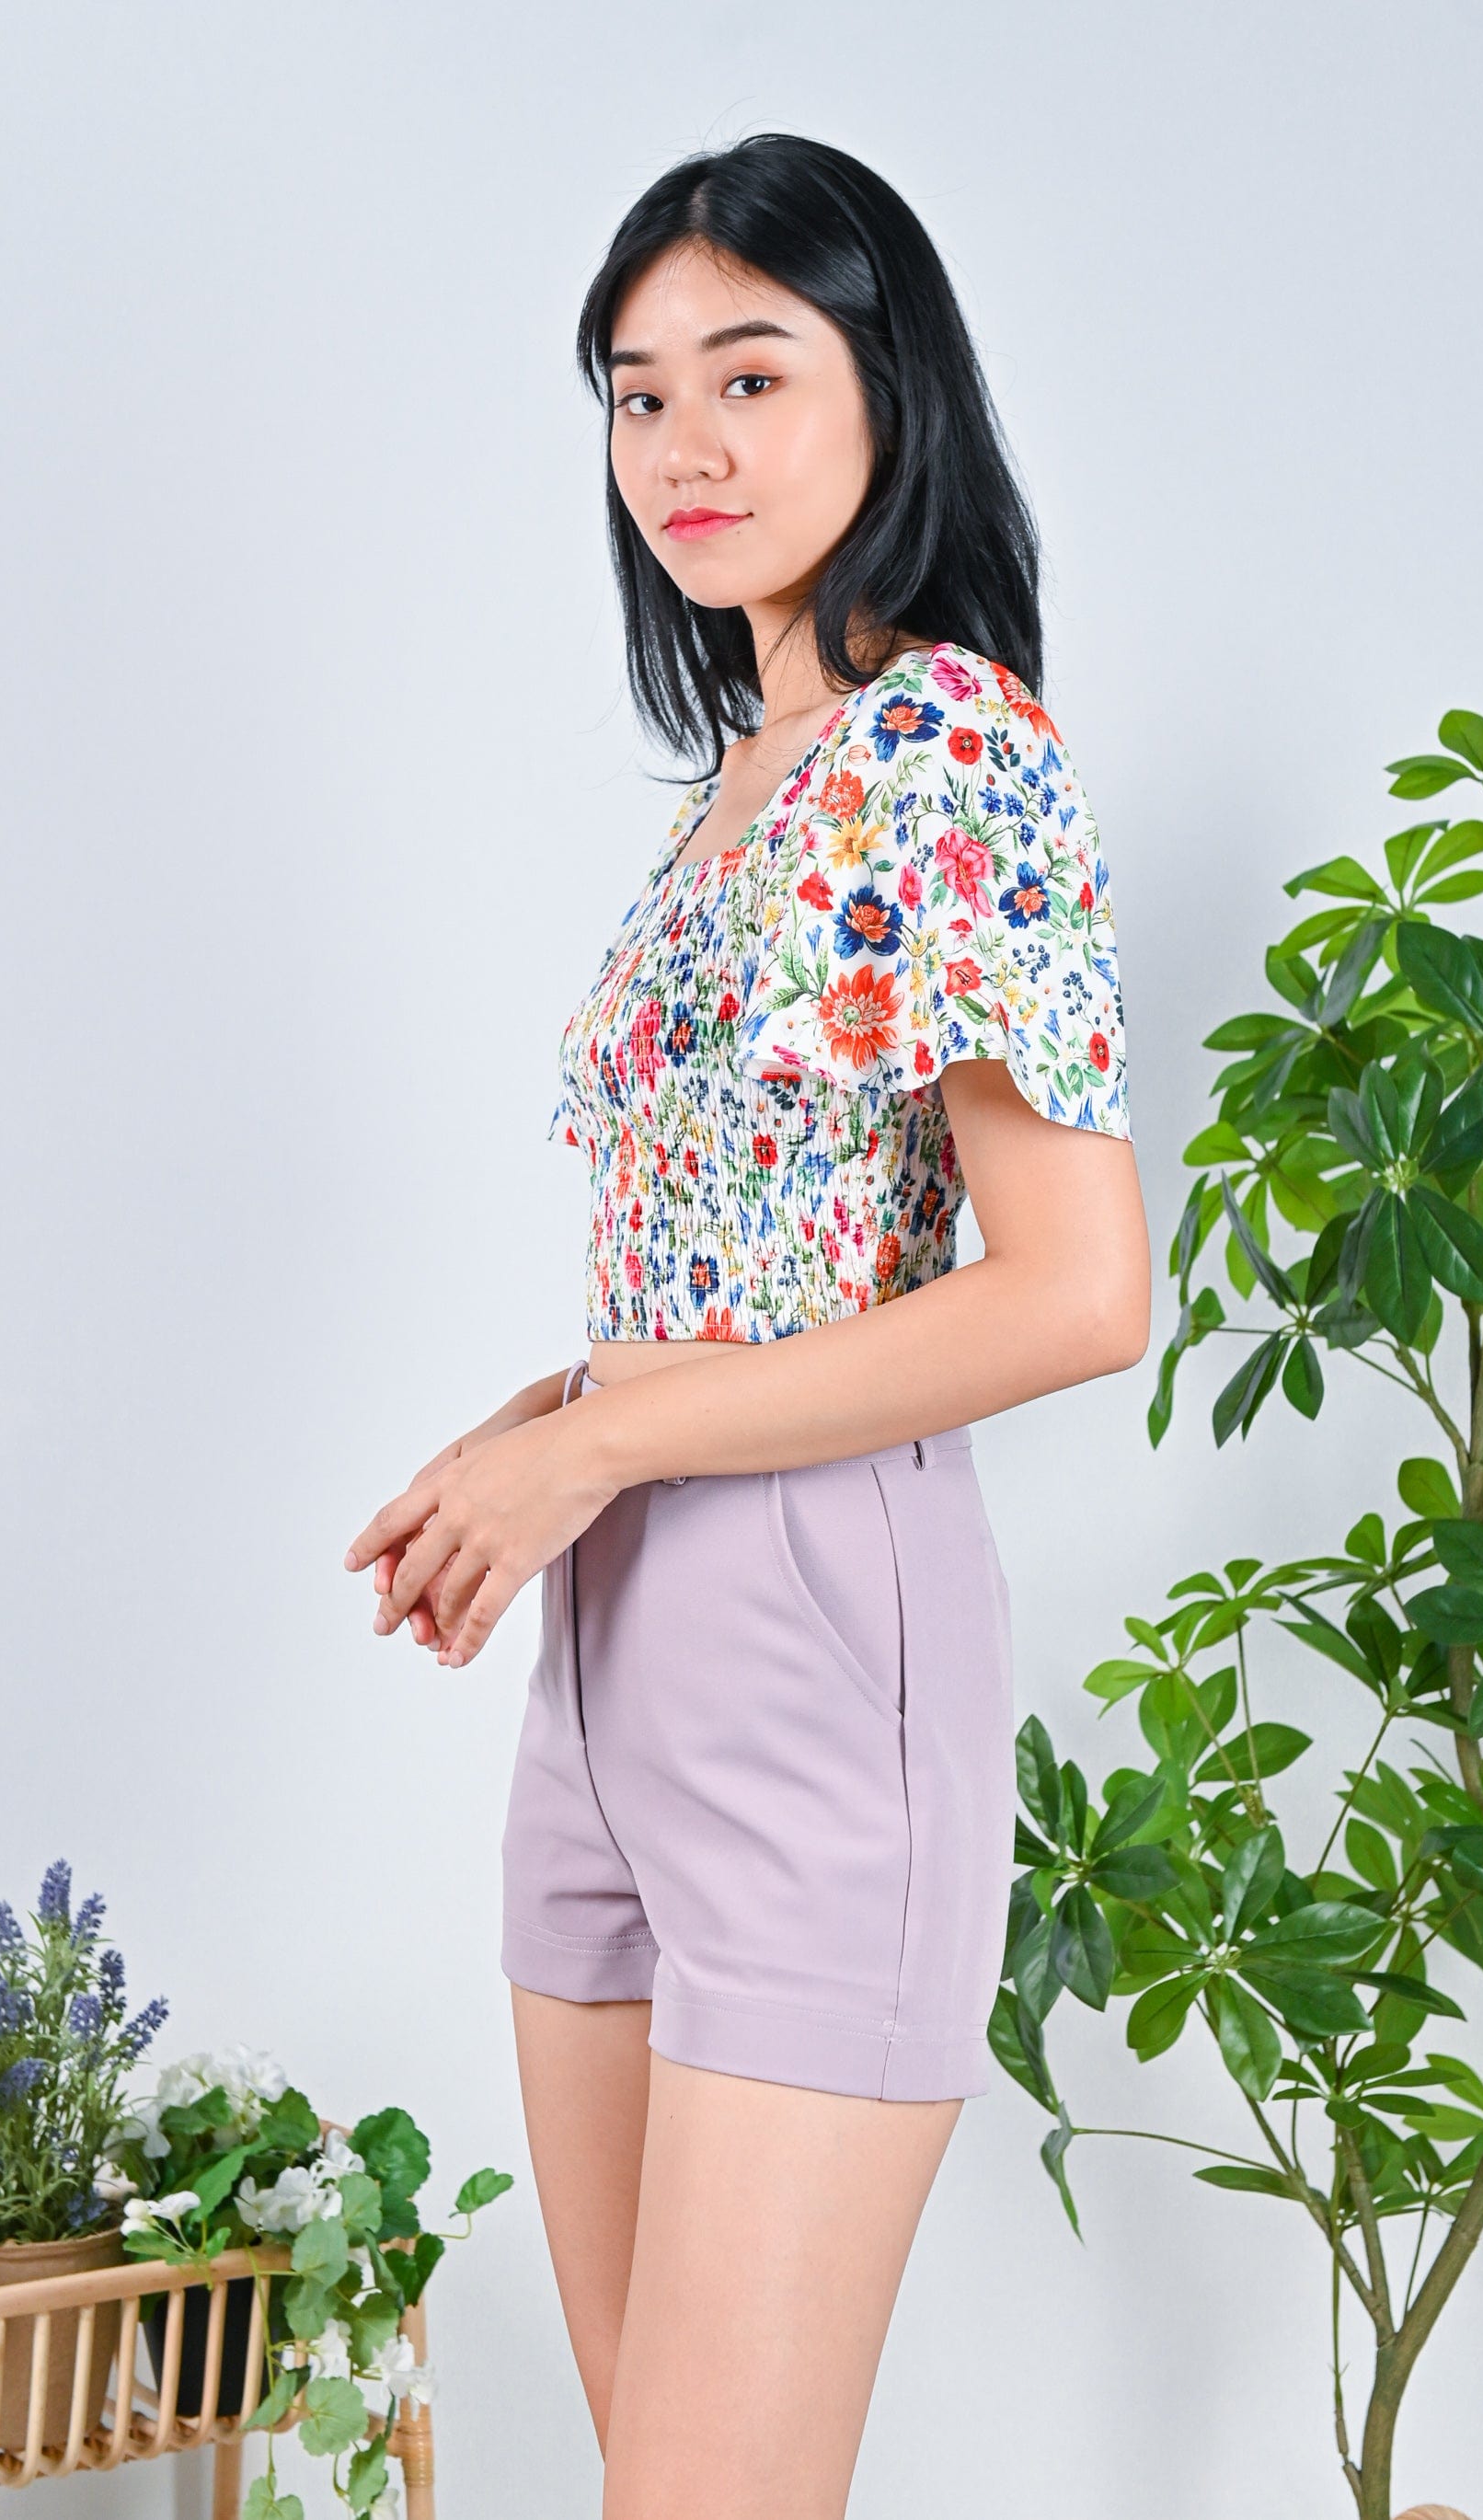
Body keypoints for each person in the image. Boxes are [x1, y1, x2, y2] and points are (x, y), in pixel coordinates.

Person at [344, 132, 1149, 2520]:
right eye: (637, 393)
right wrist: (543, 1426)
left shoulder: (950, 752)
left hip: (813, 1640)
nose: (683, 443)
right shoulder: (742, 783)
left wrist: (601, 1449)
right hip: (608, 1662)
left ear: (890, 384)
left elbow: (1082, 1288)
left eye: (750, 372)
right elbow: (761, 1242)